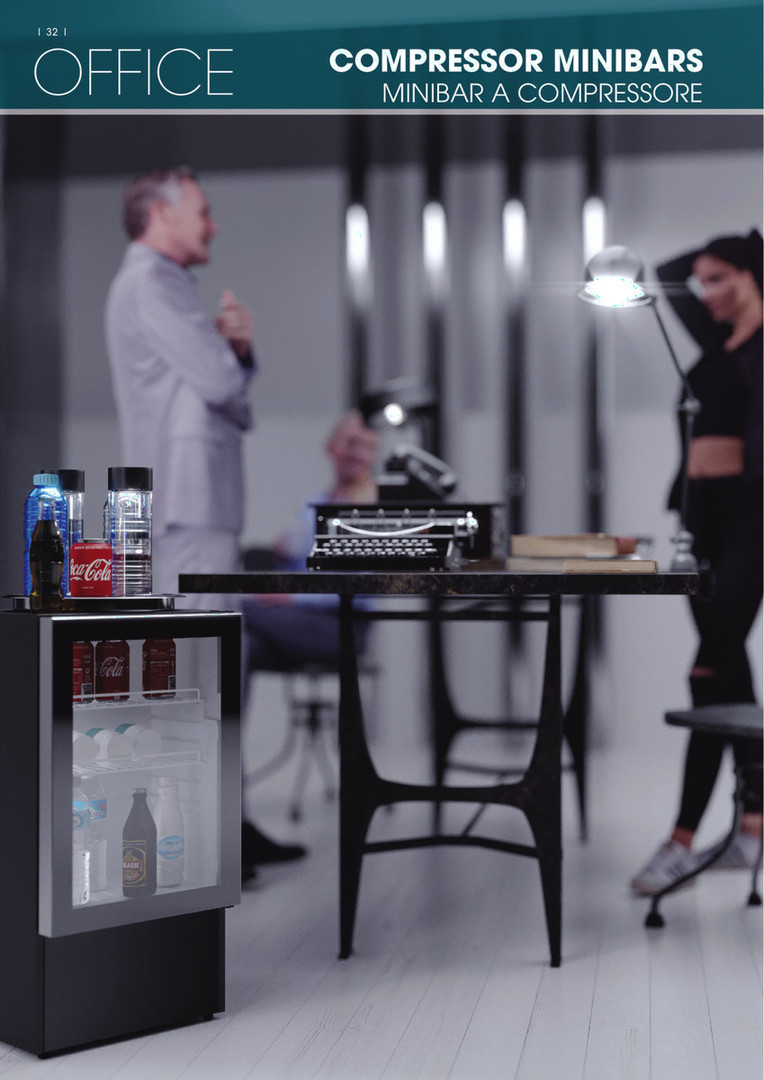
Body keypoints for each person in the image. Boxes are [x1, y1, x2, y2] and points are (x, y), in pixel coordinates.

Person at [105, 165, 304, 880]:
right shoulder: (150, 283)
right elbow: (222, 386)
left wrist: (234, 357)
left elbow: (225, 384)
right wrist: (234, 357)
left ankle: (221, 826)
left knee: (209, 670)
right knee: (194, 675)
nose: (213, 225)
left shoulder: (165, 284)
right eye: (203, 211)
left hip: (198, 502)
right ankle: (194, 841)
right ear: (161, 213)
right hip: (188, 504)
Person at [631, 229, 763, 896]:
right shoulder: (714, 342)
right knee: (728, 672)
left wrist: (752, 251)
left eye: (720, 279)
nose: (705, 290)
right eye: (703, 280)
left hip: (752, 519)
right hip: (700, 519)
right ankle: (753, 829)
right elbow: (665, 272)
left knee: (706, 671)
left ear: (751, 274)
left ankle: (680, 842)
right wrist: (722, 260)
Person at [241, 410, 379, 675]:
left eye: (368, 447)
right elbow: (299, 567)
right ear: (332, 447)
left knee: (234, 612)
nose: (358, 454)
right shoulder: (313, 505)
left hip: (342, 623)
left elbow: (356, 585)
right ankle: (219, 705)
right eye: (352, 443)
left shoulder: (371, 509)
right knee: (242, 645)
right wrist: (282, 558)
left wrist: (292, 597)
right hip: (300, 618)